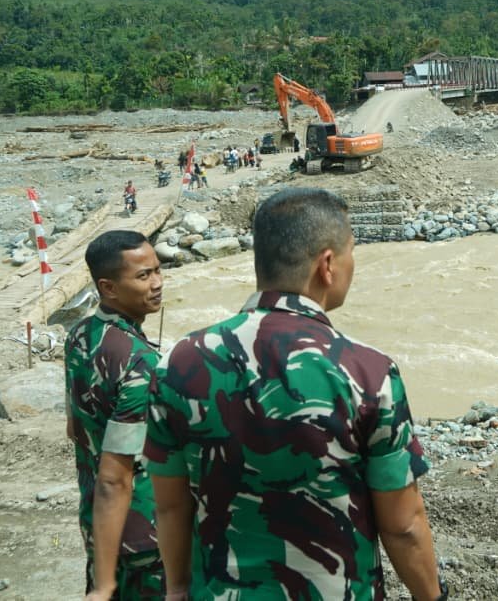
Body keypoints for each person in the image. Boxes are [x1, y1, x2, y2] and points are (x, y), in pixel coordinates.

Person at [145, 188, 445, 600]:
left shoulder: (177, 363)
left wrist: (178, 590)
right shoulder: (368, 372)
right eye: (351, 252)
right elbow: (404, 525)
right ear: (327, 265)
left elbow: (170, 505)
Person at [66, 230, 166, 600]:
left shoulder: (80, 335)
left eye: (158, 270)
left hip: (98, 524)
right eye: (143, 276)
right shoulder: (140, 362)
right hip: (143, 538)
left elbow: (74, 427)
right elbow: (117, 477)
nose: (157, 283)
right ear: (108, 288)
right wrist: (104, 581)